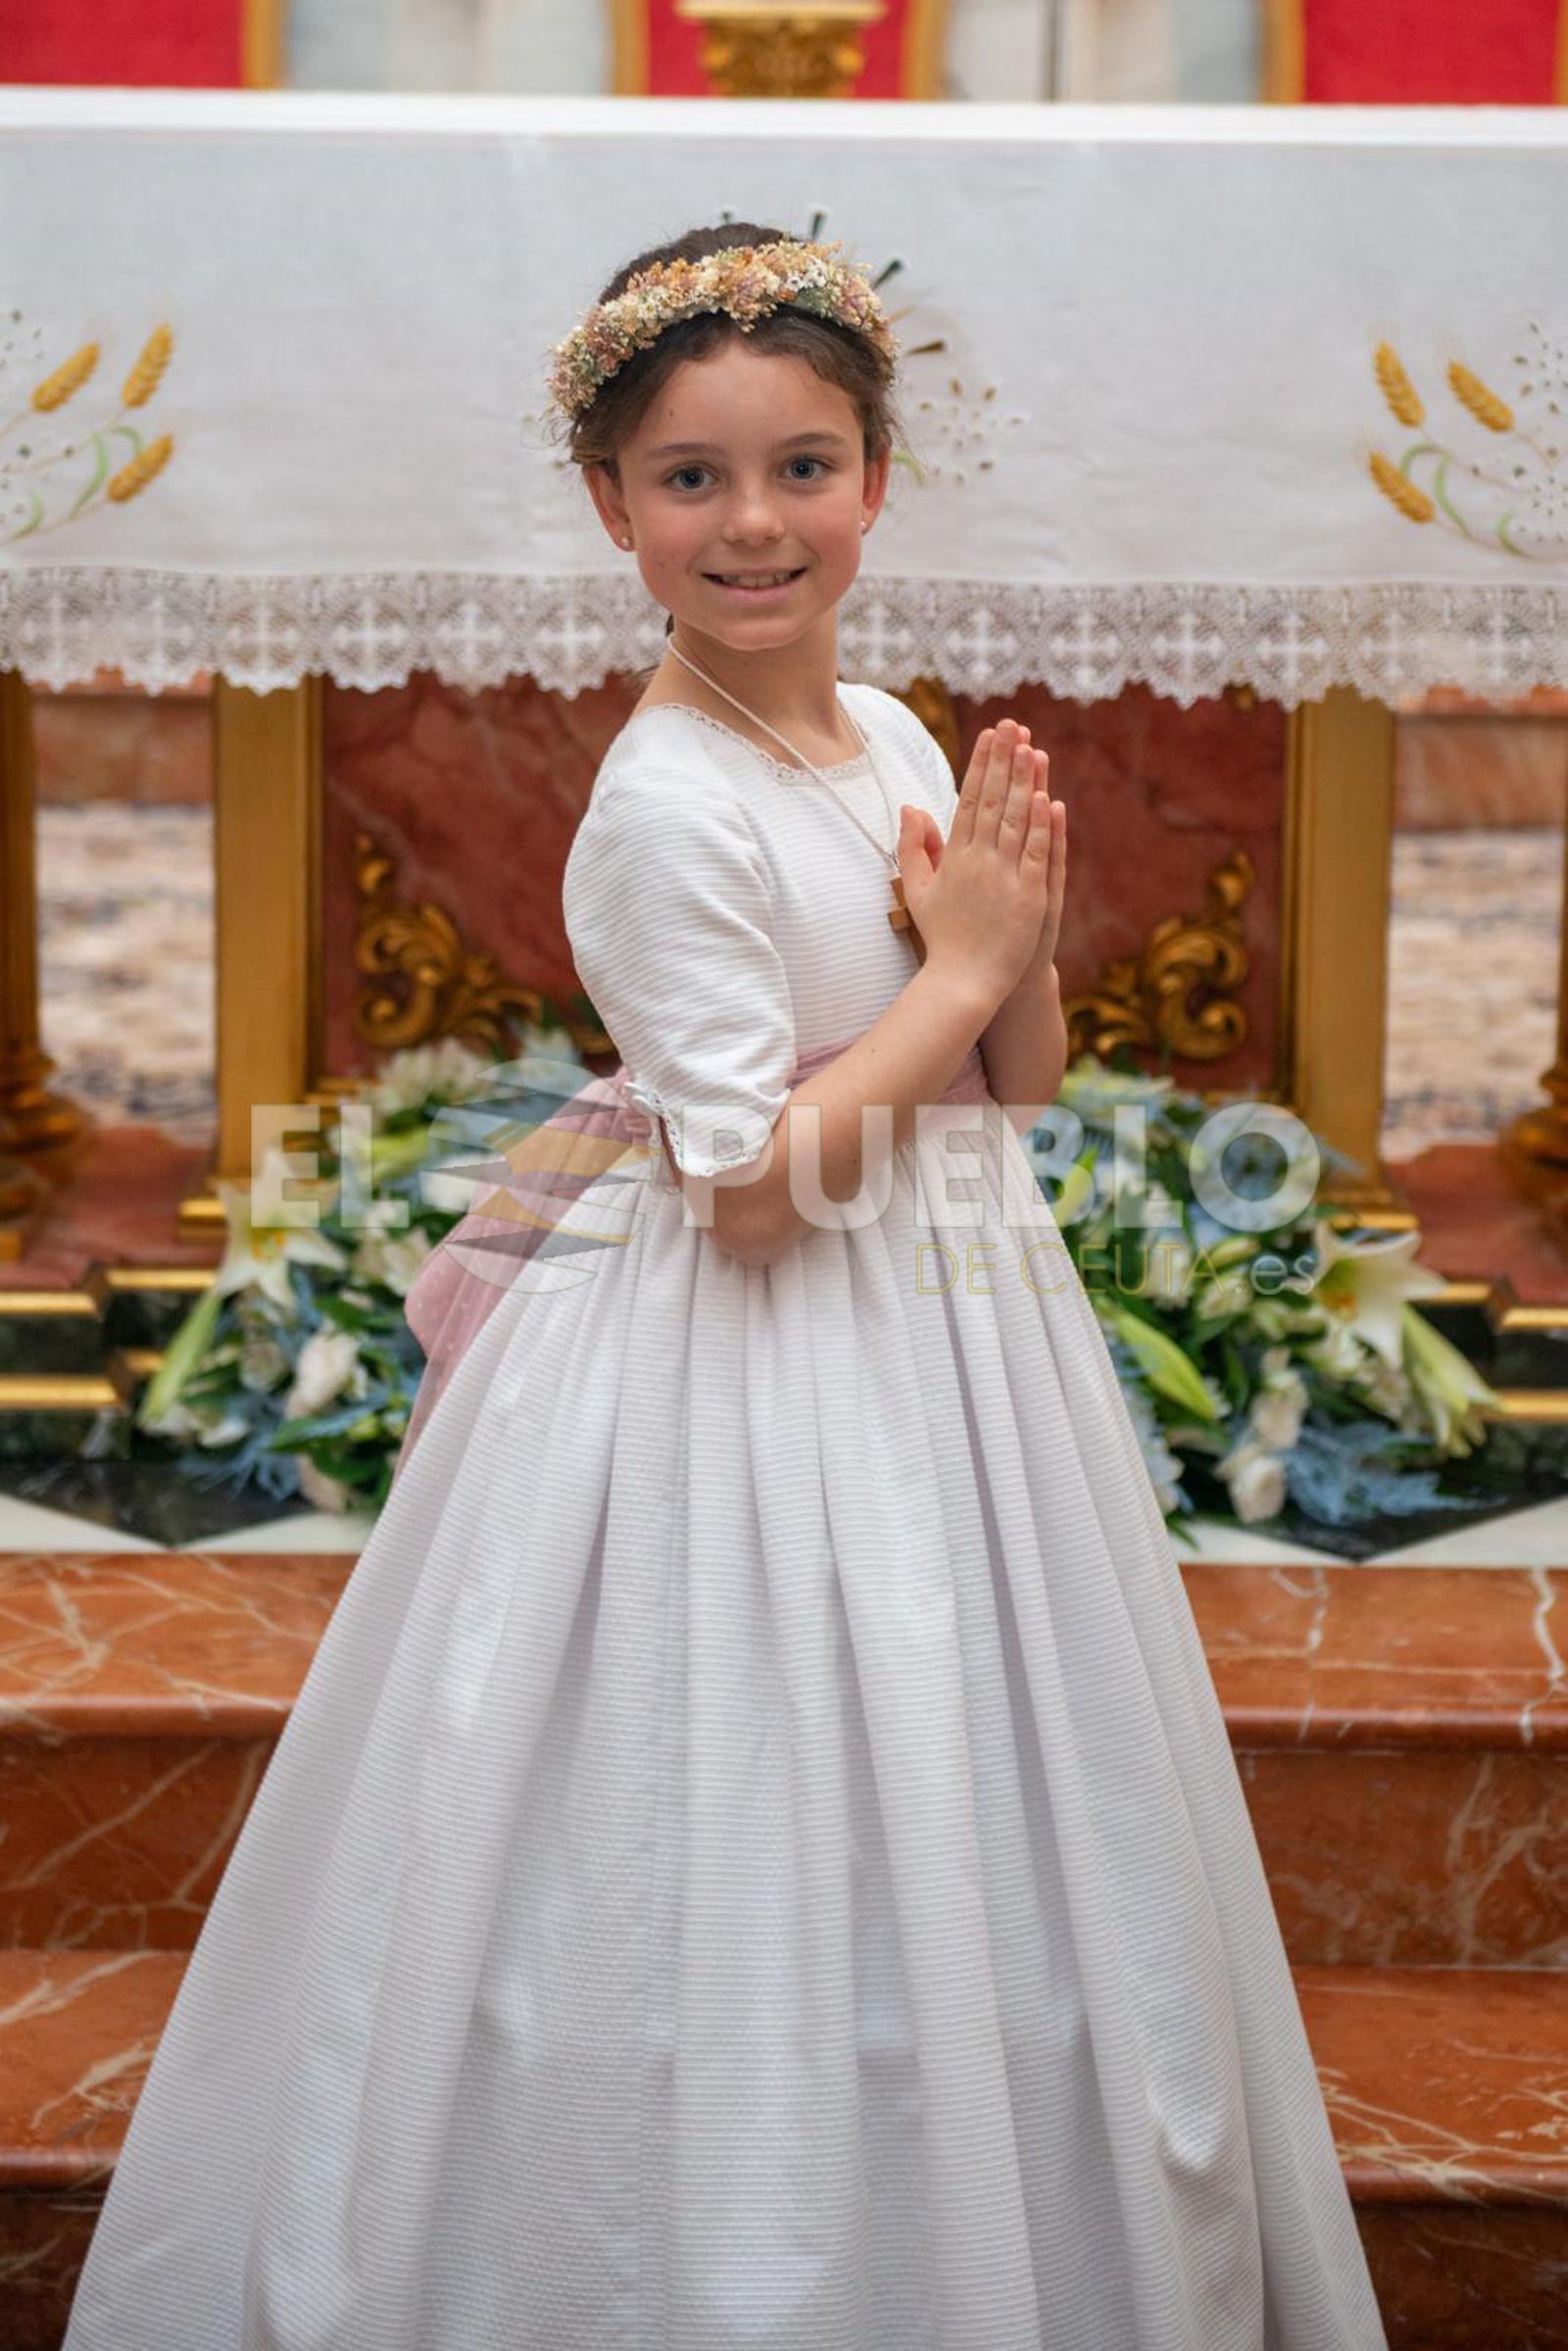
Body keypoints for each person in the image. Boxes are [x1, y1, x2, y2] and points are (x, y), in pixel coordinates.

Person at [61, 224, 1389, 2351]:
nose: (750, 522)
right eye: (689, 479)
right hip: (736, 1361)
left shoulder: (880, 724)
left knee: (981, 1803)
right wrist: (949, 969)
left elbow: (1011, 1086)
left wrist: (1005, 941)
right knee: (734, 1807)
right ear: (606, 505)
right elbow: (751, 1197)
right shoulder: (655, 806)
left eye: (801, 466)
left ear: (878, 477)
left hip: (956, 1337)